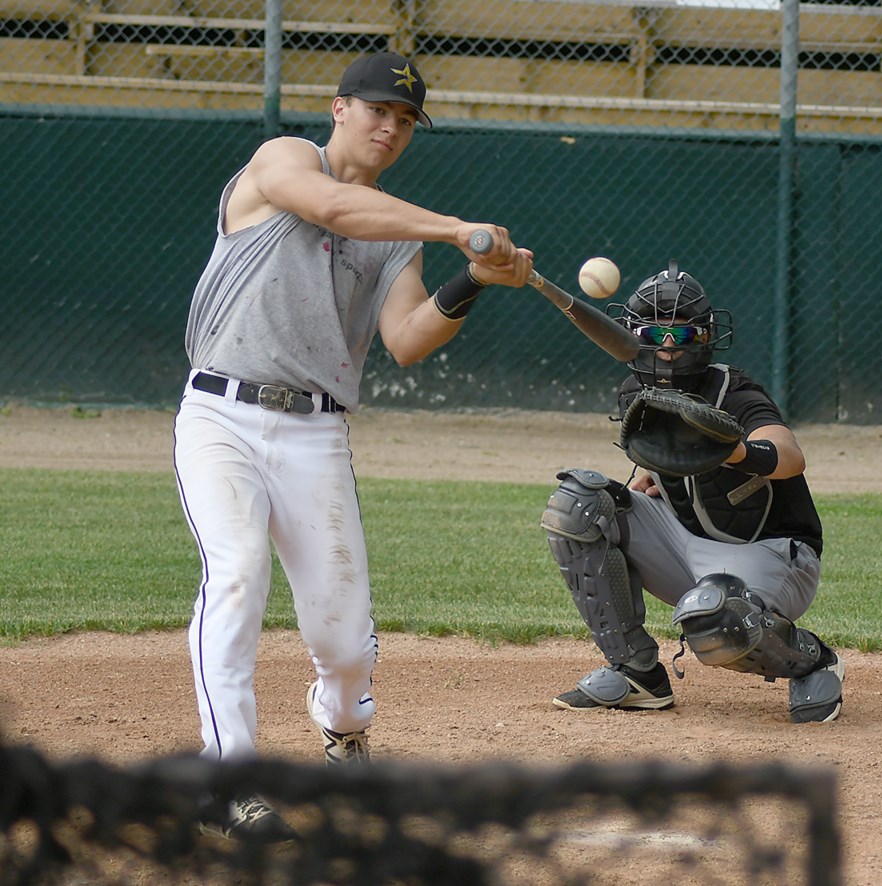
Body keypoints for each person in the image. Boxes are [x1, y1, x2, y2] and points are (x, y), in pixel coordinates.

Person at [173, 51, 533, 841]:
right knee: (235, 575)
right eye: (378, 111)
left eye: (405, 120)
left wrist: (472, 278)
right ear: (339, 109)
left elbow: (405, 338)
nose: (390, 127)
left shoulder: (394, 236)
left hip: (316, 431)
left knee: (342, 643)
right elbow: (335, 208)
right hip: (221, 415)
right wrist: (457, 229)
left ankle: (342, 728)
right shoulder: (282, 161)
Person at [541, 260, 844, 725]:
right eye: (654, 335)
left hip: (770, 552)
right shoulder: (633, 392)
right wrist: (654, 480)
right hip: (687, 544)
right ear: (630, 335)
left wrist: (735, 452)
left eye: (681, 337)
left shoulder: (731, 391)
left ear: (704, 339)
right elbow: (666, 466)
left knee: (718, 625)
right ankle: (637, 671)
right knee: (579, 504)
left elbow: (789, 455)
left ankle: (813, 660)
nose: (667, 351)